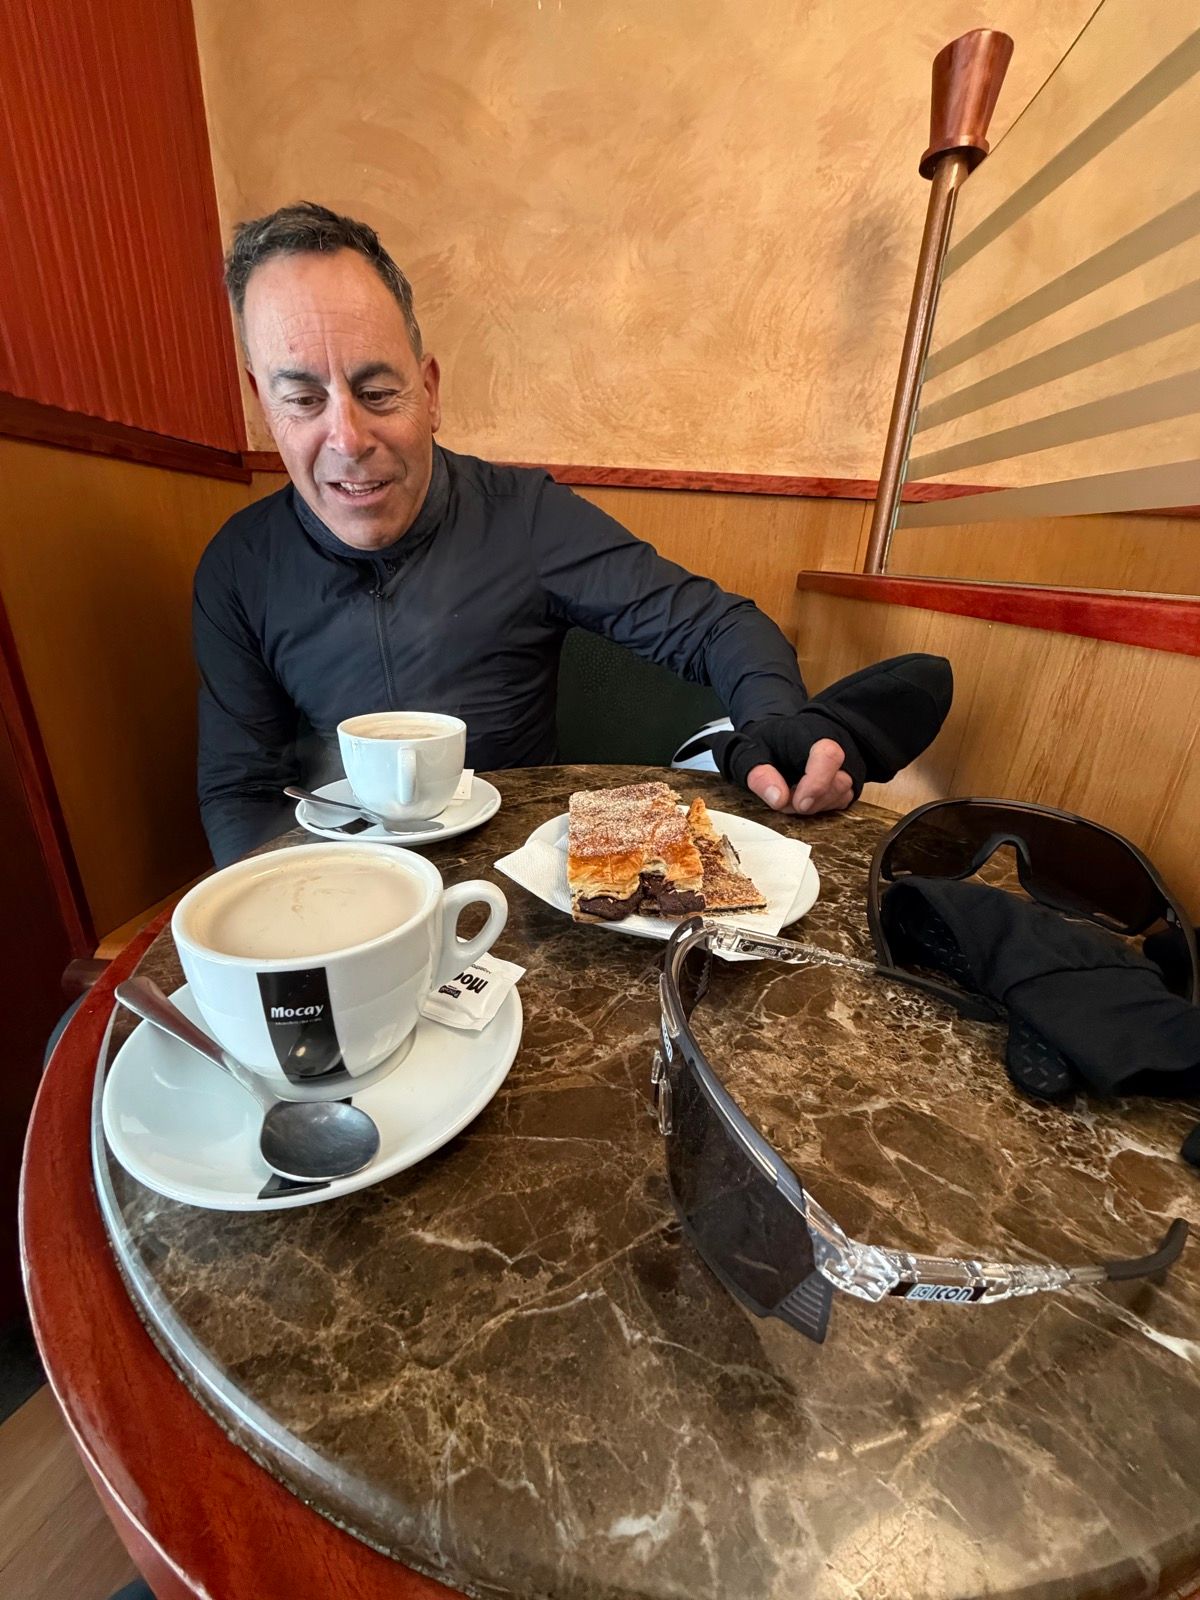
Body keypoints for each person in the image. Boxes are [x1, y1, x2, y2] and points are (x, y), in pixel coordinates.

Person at [195, 203, 951, 866]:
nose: (348, 438)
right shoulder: (240, 565)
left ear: (428, 392)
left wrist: (778, 729)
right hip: (351, 878)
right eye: (303, 398)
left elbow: (717, 626)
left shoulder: (524, 516)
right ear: (263, 403)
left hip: (523, 877)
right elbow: (241, 788)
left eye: (377, 391)